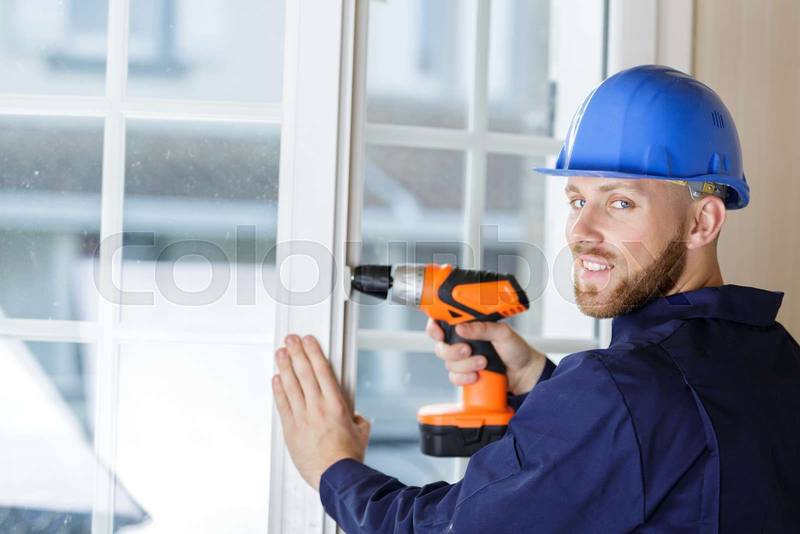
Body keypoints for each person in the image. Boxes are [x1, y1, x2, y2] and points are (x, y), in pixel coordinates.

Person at [270, 65, 800, 532]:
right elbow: (659, 458)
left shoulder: (625, 390)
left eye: (619, 202)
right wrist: (537, 381)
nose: (581, 232)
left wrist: (333, 466)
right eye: (577, 199)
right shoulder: (774, 355)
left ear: (702, 221)